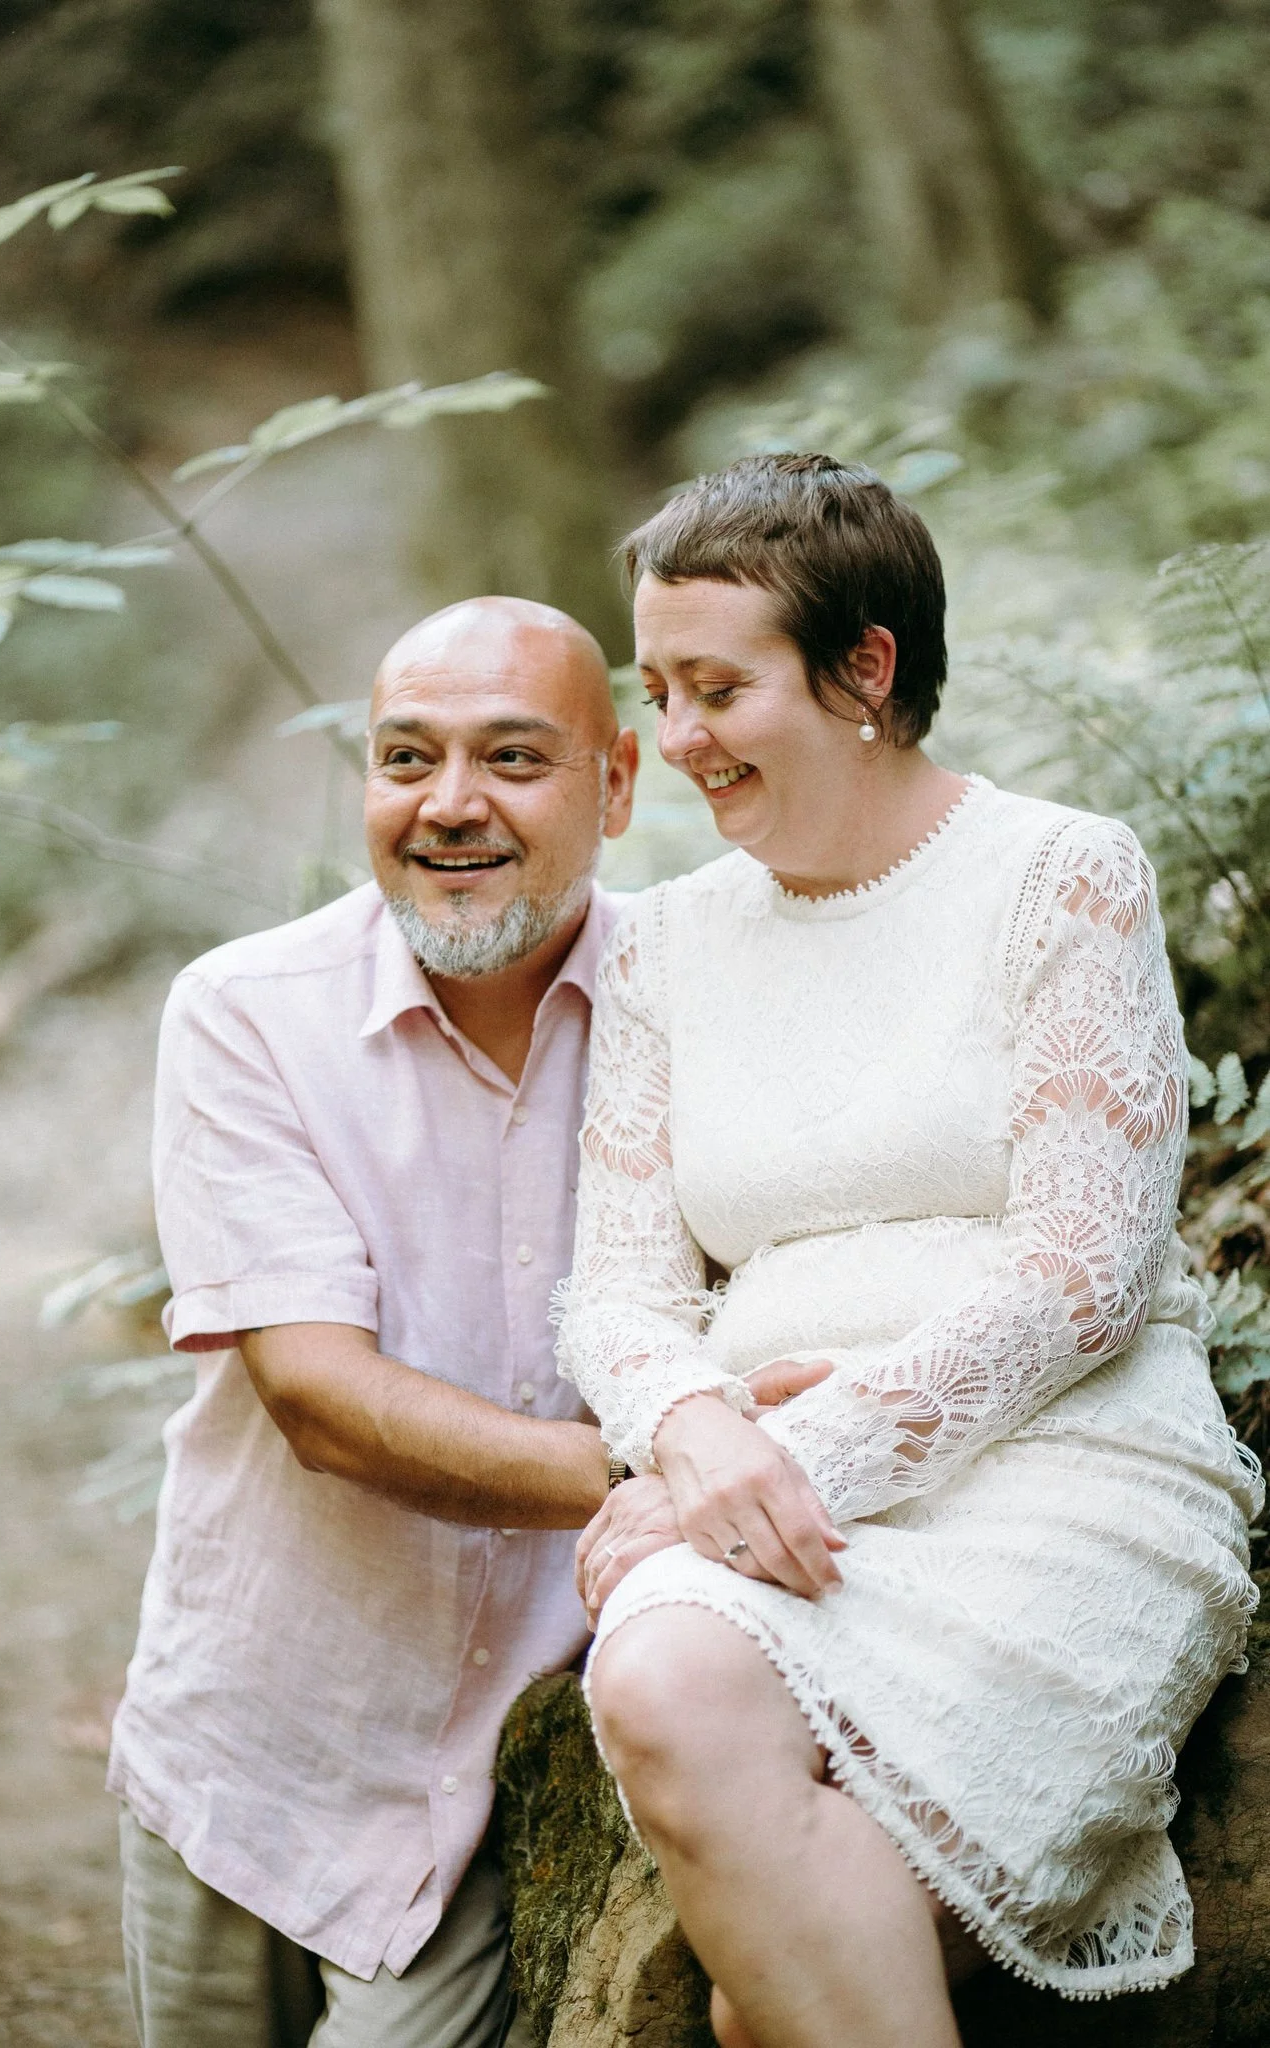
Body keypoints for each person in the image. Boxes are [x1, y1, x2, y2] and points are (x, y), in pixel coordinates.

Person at [555, 454, 1265, 2048]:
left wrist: (785, 1457)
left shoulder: (1059, 873)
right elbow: (617, 1288)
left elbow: (1085, 1270)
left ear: (864, 668)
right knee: (663, 1684)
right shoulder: (665, 942)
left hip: (1063, 1467)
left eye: (717, 688)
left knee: (763, 2013)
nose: (674, 741)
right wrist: (690, 1431)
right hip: (760, 1499)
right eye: (656, 688)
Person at [107, 594, 650, 2048]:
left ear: (620, 781)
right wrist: (681, 1481)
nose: (449, 806)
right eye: (407, 758)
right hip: (258, 1730)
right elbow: (320, 1402)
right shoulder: (247, 1014)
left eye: (513, 760)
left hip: (496, 1782)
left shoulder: (695, 1011)